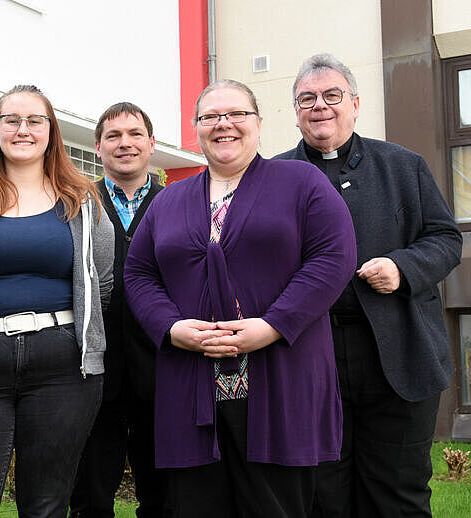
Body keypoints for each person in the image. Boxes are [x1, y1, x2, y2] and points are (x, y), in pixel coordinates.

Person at [123, 80, 357, 518]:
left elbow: (334, 257)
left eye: (236, 114)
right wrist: (172, 328)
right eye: (210, 116)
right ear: (196, 128)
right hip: (190, 387)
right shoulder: (169, 201)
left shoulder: (301, 183)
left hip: (280, 382)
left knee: (274, 507)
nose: (223, 124)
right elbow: (138, 273)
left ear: (258, 124)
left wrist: (271, 326)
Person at [273, 53, 462, 518]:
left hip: (397, 352)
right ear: (296, 112)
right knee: (323, 496)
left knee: (397, 494)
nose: (320, 107)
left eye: (332, 96)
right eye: (307, 99)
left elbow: (445, 239)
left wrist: (403, 268)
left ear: (355, 104)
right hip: (310, 358)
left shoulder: (403, 166)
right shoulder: (273, 178)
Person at [0, 84, 114, 517]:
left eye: (34, 120)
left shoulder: (83, 203)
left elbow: (101, 284)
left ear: (51, 131)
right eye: (11, 120)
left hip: (64, 370)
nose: (22, 129)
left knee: (46, 506)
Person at [70, 102, 168, 518]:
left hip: (164, 369)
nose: (124, 144)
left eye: (134, 134)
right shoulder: (74, 205)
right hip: (94, 369)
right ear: (97, 147)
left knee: (165, 495)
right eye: (113, 136)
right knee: (90, 494)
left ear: (151, 144)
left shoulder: (179, 204)